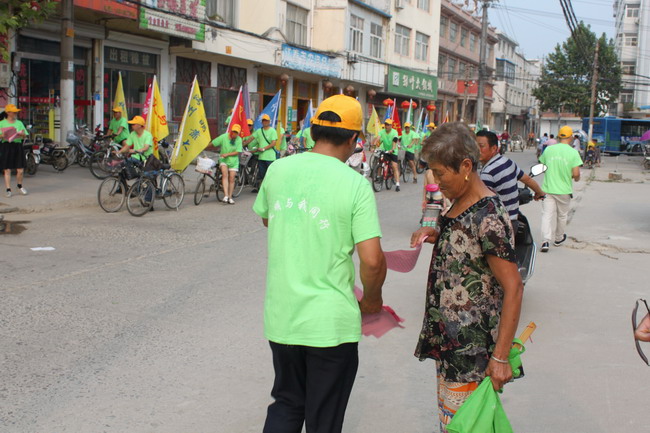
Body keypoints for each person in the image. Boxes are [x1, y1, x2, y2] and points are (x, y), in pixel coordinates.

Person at [253, 94, 386, 433]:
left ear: (312, 130)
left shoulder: (278, 169)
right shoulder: (355, 185)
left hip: (283, 316)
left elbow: (270, 221)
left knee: (287, 402)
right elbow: (371, 261)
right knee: (323, 418)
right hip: (330, 324)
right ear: (355, 140)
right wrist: (372, 300)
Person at [409, 122, 523, 432]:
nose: (436, 181)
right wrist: (437, 231)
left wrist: (499, 358)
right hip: (451, 345)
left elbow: (513, 288)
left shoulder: (489, 216)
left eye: (440, 173)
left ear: (466, 166)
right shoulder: (460, 202)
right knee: (453, 425)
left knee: (466, 426)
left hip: (470, 354)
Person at [476, 130, 545, 233]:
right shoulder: (507, 162)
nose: (477, 150)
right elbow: (527, 179)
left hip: (498, 227)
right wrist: (540, 193)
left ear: (494, 148)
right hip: (513, 222)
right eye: (475, 146)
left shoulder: (487, 173)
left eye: (481, 146)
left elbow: (482, 204)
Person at [538, 125, 582, 252]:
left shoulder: (549, 150)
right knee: (562, 216)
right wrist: (576, 179)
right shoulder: (573, 152)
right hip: (564, 190)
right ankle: (558, 238)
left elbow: (542, 165)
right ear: (571, 137)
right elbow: (576, 174)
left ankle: (545, 241)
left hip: (547, 188)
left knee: (546, 215)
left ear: (558, 136)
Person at [0, 104, 28, 197]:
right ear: (8, 112)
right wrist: (2, 135)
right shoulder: (1, 123)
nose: (16, 113)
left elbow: (25, 135)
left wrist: (22, 134)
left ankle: (19, 186)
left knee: (20, 169)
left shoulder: (19, 123)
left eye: (16, 112)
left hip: (17, 145)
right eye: (14, 112)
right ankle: (8, 189)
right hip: (6, 146)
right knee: (7, 169)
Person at [212, 124, 242, 204]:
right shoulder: (224, 137)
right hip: (223, 160)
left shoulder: (239, 140)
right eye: (234, 132)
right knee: (225, 174)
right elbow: (214, 142)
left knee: (232, 178)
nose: (235, 134)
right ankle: (225, 195)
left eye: (236, 133)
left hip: (234, 161)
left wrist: (228, 154)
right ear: (231, 131)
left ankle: (230, 196)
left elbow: (238, 151)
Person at [243, 113, 277, 186]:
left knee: (270, 173)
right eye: (264, 121)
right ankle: (262, 188)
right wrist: (242, 144)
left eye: (266, 121)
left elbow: (273, 143)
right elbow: (251, 139)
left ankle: (271, 187)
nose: (265, 122)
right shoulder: (259, 131)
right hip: (261, 157)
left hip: (270, 157)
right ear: (262, 122)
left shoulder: (272, 131)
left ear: (269, 122)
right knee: (262, 174)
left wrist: (264, 148)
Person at [377, 119, 401, 191]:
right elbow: (378, 139)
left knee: (394, 166)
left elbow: (395, 141)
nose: (386, 126)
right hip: (385, 150)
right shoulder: (382, 132)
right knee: (380, 162)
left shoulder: (394, 132)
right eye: (385, 124)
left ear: (391, 126)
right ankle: (378, 177)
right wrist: (373, 146)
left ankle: (397, 184)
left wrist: (392, 149)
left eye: (388, 125)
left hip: (393, 151)